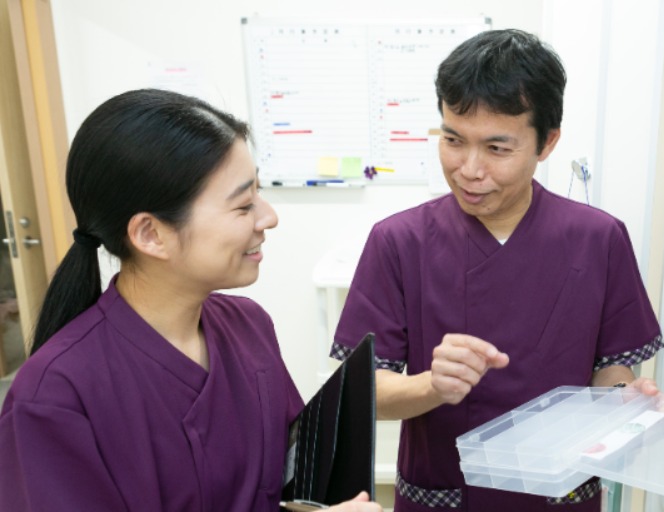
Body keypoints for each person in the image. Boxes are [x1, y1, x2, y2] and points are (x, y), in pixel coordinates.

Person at [0, 89, 382, 512]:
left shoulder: (249, 326)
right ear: (151, 234)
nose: (268, 217)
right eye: (243, 205)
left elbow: (294, 481)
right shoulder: (54, 395)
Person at [330, 29, 664, 511]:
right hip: (445, 489)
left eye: (497, 148)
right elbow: (362, 394)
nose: (469, 168)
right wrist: (431, 385)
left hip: (558, 493)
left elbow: (612, 370)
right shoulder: (399, 242)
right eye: (453, 140)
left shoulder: (598, 238)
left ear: (547, 142)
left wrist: (622, 403)